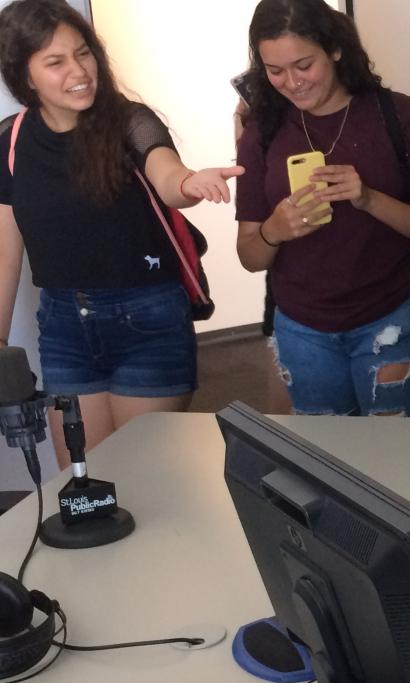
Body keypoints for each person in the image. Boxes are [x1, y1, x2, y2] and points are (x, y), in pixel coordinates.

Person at [0, 0, 242, 467]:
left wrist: (189, 183)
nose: (80, 70)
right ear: (25, 76)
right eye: (56, 61)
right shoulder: (10, 142)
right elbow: (6, 256)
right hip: (63, 325)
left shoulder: (130, 121)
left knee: (144, 475)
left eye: (84, 52)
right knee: (87, 478)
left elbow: (168, 177)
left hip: (146, 316)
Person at [235, 0, 410, 417]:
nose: (291, 82)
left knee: (394, 464)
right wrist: (274, 230)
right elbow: (249, 255)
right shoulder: (262, 133)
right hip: (302, 330)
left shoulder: (398, 115)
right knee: (323, 468)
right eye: (274, 70)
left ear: (335, 49)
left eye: (303, 65)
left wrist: (369, 198)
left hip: (391, 322)